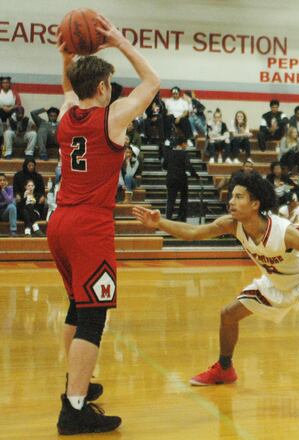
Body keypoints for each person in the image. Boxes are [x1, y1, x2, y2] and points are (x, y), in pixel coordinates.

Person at [131, 172, 299, 411]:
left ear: (255, 204)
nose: (231, 201)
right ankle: (225, 368)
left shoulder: (283, 232)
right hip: (275, 282)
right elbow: (193, 232)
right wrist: (159, 222)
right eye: (232, 196)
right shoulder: (232, 224)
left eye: (239, 197)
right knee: (228, 315)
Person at [48, 15, 160, 435]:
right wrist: (120, 42)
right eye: (109, 85)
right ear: (101, 88)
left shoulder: (66, 112)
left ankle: (75, 383)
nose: (112, 90)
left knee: (78, 308)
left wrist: (65, 56)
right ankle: (74, 409)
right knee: (94, 317)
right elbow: (152, 82)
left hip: (59, 222)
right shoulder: (109, 118)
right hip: (89, 226)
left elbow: (66, 87)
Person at [164, 137, 199, 222]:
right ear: (182, 144)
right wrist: (196, 176)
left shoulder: (169, 152)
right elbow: (189, 166)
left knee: (171, 199)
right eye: (186, 143)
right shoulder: (184, 153)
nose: (186, 145)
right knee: (184, 198)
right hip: (181, 179)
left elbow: (164, 165)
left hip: (170, 178)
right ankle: (181, 217)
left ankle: (168, 218)